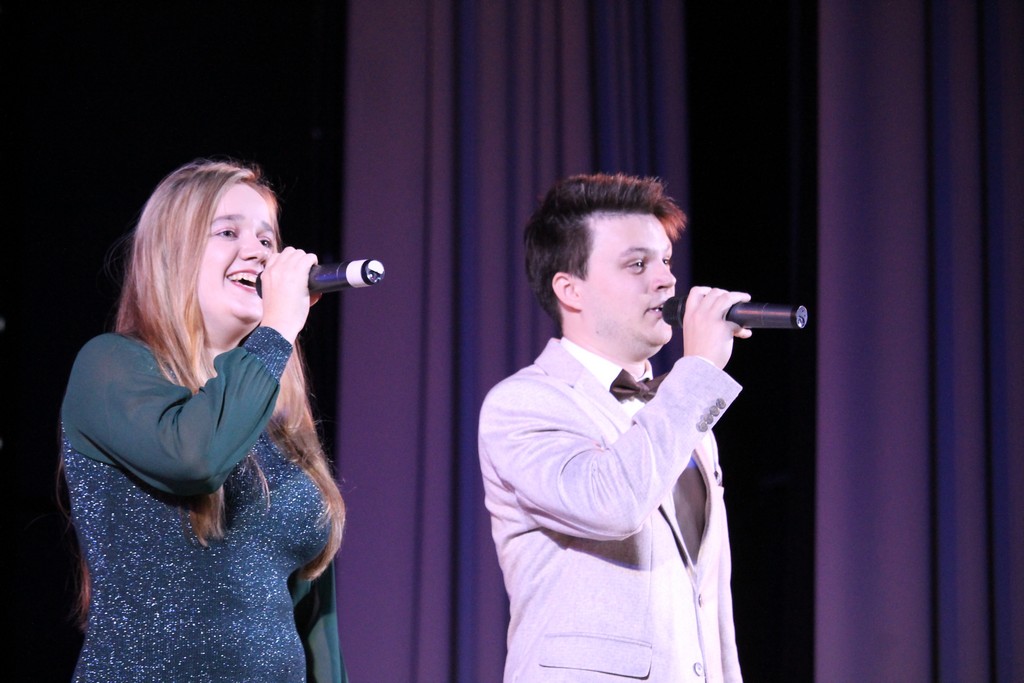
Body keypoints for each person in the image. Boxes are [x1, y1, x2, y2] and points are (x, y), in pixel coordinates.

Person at [59, 158, 348, 682]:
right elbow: (196, 458)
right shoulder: (109, 366)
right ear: (173, 253)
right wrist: (277, 331)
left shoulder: (275, 418)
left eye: (267, 239)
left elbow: (315, 619)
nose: (258, 252)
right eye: (228, 232)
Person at [478, 172, 752, 682]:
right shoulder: (524, 403)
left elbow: (710, 604)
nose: (667, 281)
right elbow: (613, 503)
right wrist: (698, 372)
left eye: (666, 261)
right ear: (570, 289)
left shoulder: (681, 411)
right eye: (637, 264)